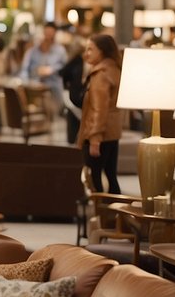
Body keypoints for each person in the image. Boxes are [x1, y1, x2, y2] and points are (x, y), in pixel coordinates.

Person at [78, 32, 123, 194]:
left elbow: (99, 108)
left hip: (99, 134)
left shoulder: (100, 74)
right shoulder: (114, 68)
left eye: (90, 49)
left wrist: (95, 138)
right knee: (111, 175)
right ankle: (116, 213)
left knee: (94, 176)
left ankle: (101, 213)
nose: (86, 54)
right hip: (112, 132)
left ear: (102, 51)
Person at [20, 22, 68, 119]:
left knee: (54, 111)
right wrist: (25, 82)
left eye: (51, 33)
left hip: (53, 86)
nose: (48, 36)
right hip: (35, 86)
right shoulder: (33, 50)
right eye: (46, 33)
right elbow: (24, 69)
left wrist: (51, 70)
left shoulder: (60, 50)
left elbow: (65, 68)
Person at [59, 37, 87, 145]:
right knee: (74, 121)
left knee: (74, 122)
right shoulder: (78, 61)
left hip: (73, 94)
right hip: (74, 95)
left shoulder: (76, 60)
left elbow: (63, 73)